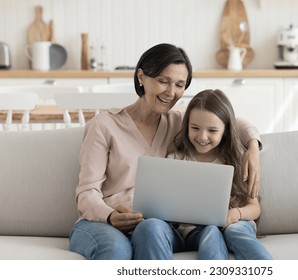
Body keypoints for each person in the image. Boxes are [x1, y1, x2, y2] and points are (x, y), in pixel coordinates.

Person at [69, 43, 262, 260]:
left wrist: (253, 145)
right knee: (116, 250)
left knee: (152, 227)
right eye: (163, 81)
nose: (171, 93)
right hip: (101, 223)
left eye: (180, 85)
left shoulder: (180, 123)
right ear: (141, 77)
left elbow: (228, 120)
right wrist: (110, 216)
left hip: (154, 225)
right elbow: (86, 193)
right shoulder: (103, 125)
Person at [169, 89, 272, 260]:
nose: (202, 137)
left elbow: (254, 208)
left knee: (235, 231)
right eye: (195, 128)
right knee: (210, 233)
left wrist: (235, 214)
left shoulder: (236, 158)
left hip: (236, 222)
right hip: (195, 231)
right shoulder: (176, 159)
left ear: (225, 130)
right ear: (186, 125)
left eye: (212, 130)